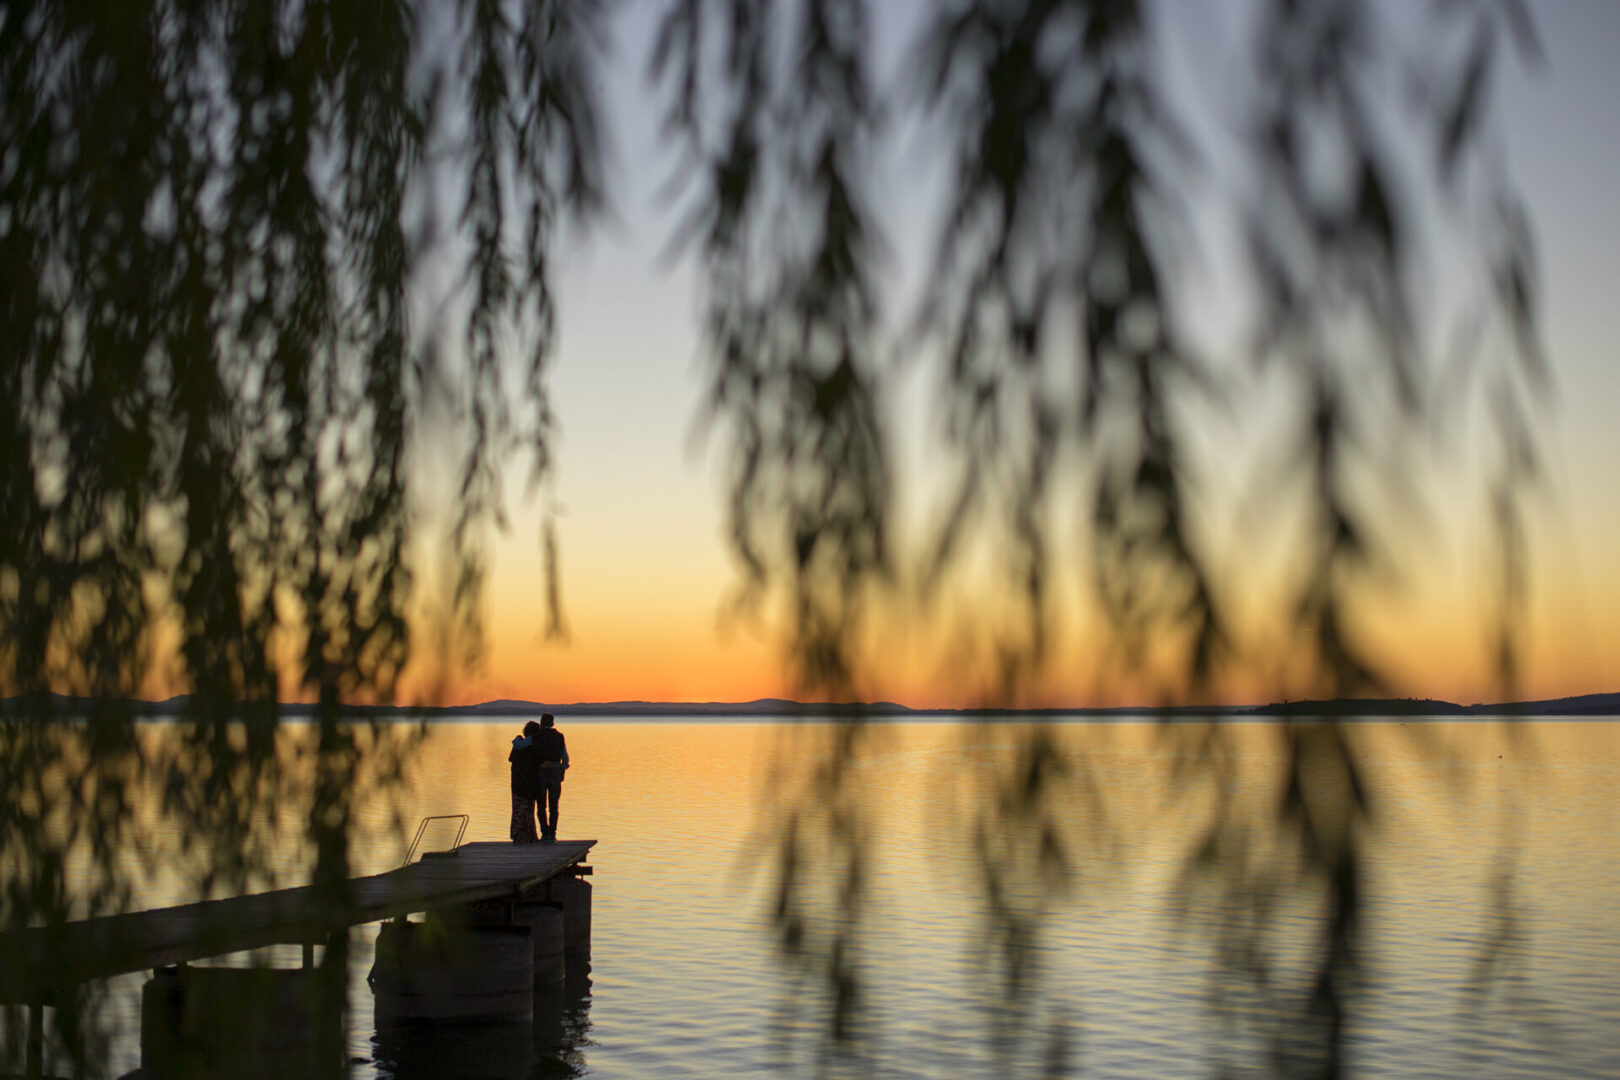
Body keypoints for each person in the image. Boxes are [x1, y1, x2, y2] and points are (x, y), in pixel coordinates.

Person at [534, 712, 569, 842]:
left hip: (541, 773)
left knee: (541, 805)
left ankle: (545, 833)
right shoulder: (560, 736)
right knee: (554, 805)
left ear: (541, 723)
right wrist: (562, 769)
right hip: (555, 772)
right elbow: (565, 756)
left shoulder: (536, 736)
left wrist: (517, 740)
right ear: (553, 723)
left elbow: (524, 746)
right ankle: (553, 833)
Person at [508, 720, 543, 843]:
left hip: (517, 782)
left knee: (519, 809)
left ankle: (519, 836)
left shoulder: (519, 745)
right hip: (530, 783)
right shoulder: (535, 747)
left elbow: (511, 760)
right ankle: (529, 836)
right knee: (528, 809)